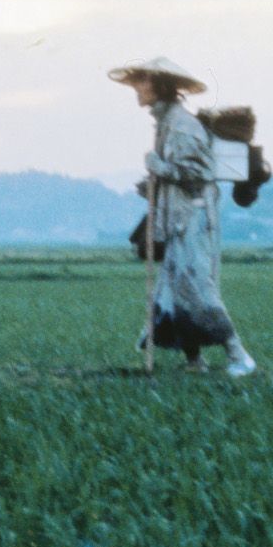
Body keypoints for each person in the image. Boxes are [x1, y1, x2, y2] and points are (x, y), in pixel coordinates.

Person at [110, 57, 257, 376]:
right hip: (179, 218)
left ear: (160, 86)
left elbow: (198, 173)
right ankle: (194, 360)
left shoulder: (181, 125)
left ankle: (239, 356)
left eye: (142, 81)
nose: (137, 88)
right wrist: (153, 183)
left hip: (193, 218)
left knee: (197, 288)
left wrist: (159, 168)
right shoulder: (166, 123)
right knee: (175, 288)